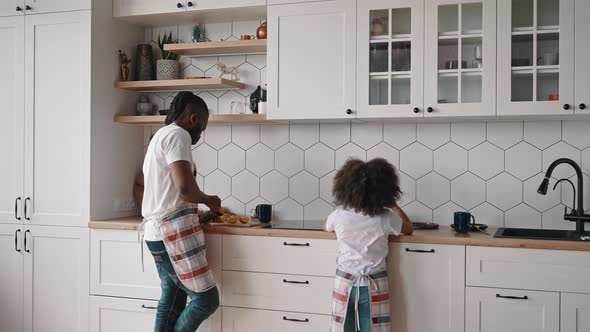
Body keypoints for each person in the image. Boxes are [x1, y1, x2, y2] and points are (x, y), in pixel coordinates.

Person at [141, 91, 222, 332]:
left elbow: (168, 194)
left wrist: (199, 216)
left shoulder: (161, 135)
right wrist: (209, 200)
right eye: (202, 127)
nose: (200, 135)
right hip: (169, 235)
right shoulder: (178, 135)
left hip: (157, 233)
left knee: (172, 297)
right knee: (206, 300)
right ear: (194, 118)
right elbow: (185, 188)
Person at [325, 158, 414, 332]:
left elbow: (325, 227)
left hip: (344, 283)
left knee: (341, 328)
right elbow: (409, 228)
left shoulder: (338, 215)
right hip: (373, 285)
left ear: (345, 188)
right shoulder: (386, 218)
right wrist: (394, 206)